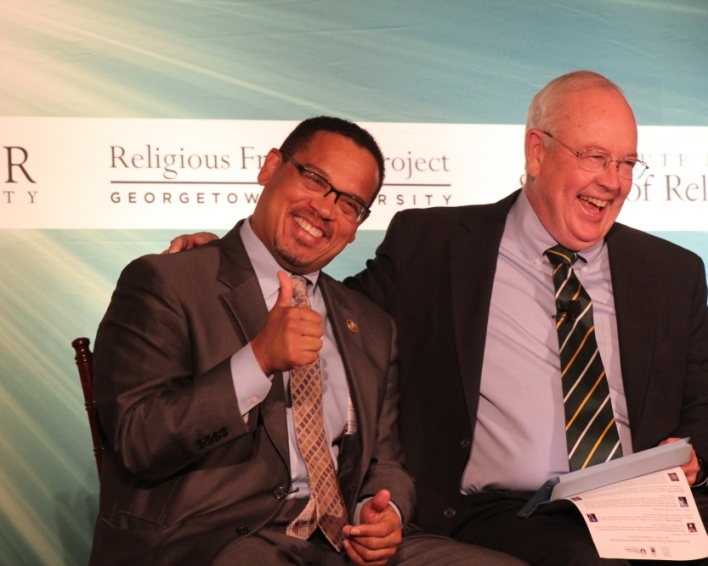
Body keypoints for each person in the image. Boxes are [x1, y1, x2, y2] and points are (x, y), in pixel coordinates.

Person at [167, 72, 708, 565]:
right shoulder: (435, 245)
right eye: (595, 157)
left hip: (644, 506)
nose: (613, 180)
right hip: (509, 512)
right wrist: (230, 264)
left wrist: (699, 457)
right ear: (537, 151)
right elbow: (328, 311)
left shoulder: (672, 271)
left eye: (627, 162)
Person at [91, 116, 525, 566]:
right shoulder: (169, 281)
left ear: (358, 225)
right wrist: (256, 361)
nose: (325, 208)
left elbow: (386, 461)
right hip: (211, 543)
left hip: (340, 545)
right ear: (271, 167)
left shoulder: (371, 325)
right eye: (316, 179)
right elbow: (138, 441)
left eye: (351, 204)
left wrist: (384, 511)